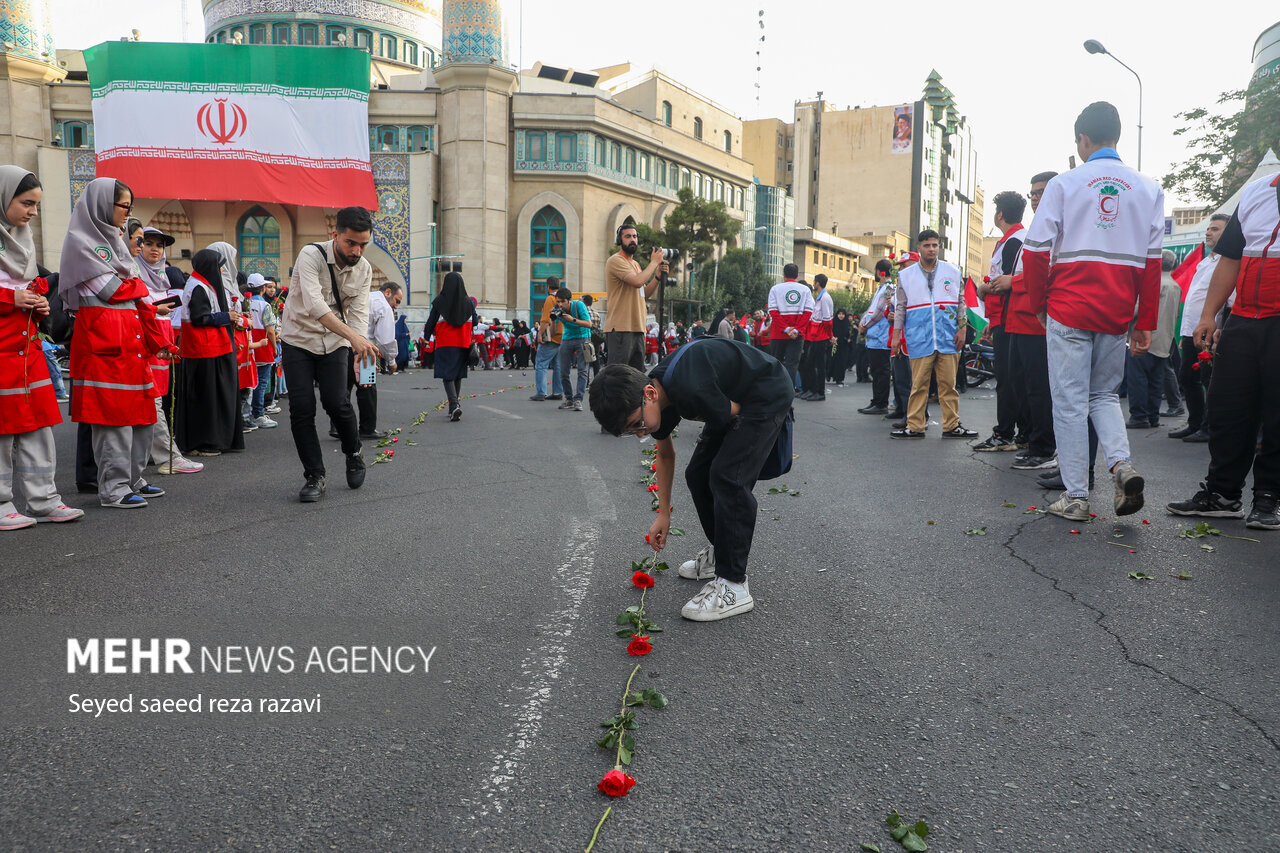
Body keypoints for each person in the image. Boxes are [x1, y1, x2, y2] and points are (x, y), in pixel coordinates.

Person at [1022, 101, 1164, 521]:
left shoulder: (1065, 184)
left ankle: (1077, 496)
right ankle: (1121, 465)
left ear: (1082, 139)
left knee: (1068, 402)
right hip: (1117, 310)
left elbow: (1033, 252)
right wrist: (1146, 322)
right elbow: (1152, 264)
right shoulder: (1149, 189)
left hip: (1068, 306)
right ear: (1116, 136)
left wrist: (1038, 305)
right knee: (1103, 395)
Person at [590, 337, 794, 622]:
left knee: (728, 476)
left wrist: (740, 454)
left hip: (765, 393)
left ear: (649, 394)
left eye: (637, 424)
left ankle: (734, 584)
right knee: (697, 473)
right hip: (727, 395)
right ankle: (722, 552)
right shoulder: (659, 393)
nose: (640, 433)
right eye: (630, 431)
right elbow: (664, 455)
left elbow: (736, 415)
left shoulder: (690, 389)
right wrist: (663, 515)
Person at [1166, 171, 1280, 530]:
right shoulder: (1258, 190)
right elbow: (1230, 258)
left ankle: (1269, 497)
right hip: (1243, 318)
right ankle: (1222, 494)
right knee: (1228, 407)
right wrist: (1208, 315)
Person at [58, 176, 172, 508]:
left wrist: (136, 288)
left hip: (130, 343)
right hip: (104, 345)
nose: (127, 213)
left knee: (142, 416)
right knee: (113, 421)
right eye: (124, 206)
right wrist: (136, 284)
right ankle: (113, 487)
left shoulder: (117, 242)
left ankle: (133, 478)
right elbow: (113, 290)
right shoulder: (81, 242)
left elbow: (132, 292)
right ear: (103, 206)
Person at [0, 165, 83, 528]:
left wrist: (39, 304)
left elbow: (28, 289)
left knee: (38, 426)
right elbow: (13, 294)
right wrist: (12, 297)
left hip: (27, 349)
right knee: (2, 431)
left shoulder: (23, 239)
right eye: (26, 203)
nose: (32, 212)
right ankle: (2, 505)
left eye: (36, 205)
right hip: (2, 352)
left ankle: (44, 499)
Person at [278, 206, 378, 503]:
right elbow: (315, 305)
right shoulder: (311, 256)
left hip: (335, 342)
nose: (357, 251)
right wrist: (355, 338)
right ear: (335, 235)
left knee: (337, 402)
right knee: (302, 408)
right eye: (351, 243)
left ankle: (354, 452)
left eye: (363, 244)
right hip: (297, 339)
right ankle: (315, 475)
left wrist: (358, 348)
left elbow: (359, 314)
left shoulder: (364, 269)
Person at [1000, 172, 1060, 475]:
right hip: (1019, 318)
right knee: (1022, 385)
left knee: (1039, 388)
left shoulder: (1058, 226)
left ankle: (1044, 447)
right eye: (1033, 192)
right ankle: (1032, 440)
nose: (1035, 197)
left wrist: (1012, 281)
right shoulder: (1036, 228)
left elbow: (1050, 271)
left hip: (1038, 320)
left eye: (1041, 191)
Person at [889, 231, 975, 439]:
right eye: (927, 245)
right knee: (918, 386)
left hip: (948, 337)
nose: (932, 249)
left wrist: (962, 328)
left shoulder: (952, 271)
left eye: (935, 245)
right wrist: (896, 336)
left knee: (948, 385)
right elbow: (900, 307)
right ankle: (915, 426)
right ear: (919, 248)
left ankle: (952, 425)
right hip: (919, 337)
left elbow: (961, 301)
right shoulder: (905, 275)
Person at [135, 226, 203, 474]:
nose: (155, 249)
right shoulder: (133, 275)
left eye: (160, 245)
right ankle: (168, 457)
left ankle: (158, 457)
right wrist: (155, 311)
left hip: (160, 351)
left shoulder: (160, 277)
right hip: (144, 351)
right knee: (152, 404)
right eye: (148, 243)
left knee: (154, 404)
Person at [973, 191, 1029, 452]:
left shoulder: (1014, 241)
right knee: (1013, 379)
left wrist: (984, 290)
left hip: (1010, 319)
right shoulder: (1013, 239)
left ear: (1000, 214)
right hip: (1003, 318)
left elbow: (1006, 282)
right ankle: (1021, 433)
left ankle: (1005, 433)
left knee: (1007, 380)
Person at [174, 249, 241, 457]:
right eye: (219, 265)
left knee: (207, 398)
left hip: (207, 349)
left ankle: (206, 440)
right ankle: (207, 441)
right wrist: (226, 317)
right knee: (208, 399)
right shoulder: (199, 287)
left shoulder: (200, 283)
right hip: (205, 350)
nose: (221, 269)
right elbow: (200, 318)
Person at [1169, 215, 1231, 443]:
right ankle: (1195, 422)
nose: (1208, 233)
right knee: (1187, 377)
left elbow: (1228, 301)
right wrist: (1184, 333)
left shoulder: (1228, 262)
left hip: (1209, 333)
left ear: (1229, 233)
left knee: (1209, 380)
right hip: (1191, 331)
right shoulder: (1206, 262)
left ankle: (1209, 427)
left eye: (1215, 229)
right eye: (1208, 228)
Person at [333, 281, 399, 439]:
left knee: (343, 388)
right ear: (388, 292)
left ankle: (337, 426)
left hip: (341, 345)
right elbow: (385, 339)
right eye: (397, 301)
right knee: (367, 389)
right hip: (364, 348)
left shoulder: (363, 297)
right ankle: (367, 428)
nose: (396, 306)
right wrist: (391, 361)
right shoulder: (383, 305)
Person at [1125, 251, 1182, 428]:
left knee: (1138, 380)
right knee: (1156, 381)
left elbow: (1135, 310)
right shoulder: (1176, 286)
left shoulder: (1153, 284)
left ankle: (1139, 417)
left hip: (1144, 337)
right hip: (1165, 340)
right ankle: (1152, 416)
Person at [604, 224, 668, 369]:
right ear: (620, 240)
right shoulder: (616, 260)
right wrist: (654, 262)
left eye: (634, 236)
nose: (632, 240)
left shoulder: (635, 264)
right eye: (627, 236)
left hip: (638, 328)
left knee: (636, 378)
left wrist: (657, 277)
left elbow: (644, 294)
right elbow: (638, 281)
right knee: (618, 376)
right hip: (620, 328)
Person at [424, 271, 479, 421]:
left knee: (447, 375)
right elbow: (475, 322)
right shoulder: (468, 302)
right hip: (463, 343)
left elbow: (431, 322)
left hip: (445, 344)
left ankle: (454, 405)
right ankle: (454, 406)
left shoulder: (439, 302)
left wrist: (427, 338)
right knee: (457, 374)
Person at [858, 259, 895, 414]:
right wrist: (862, 322)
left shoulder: (888, 288)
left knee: (881, 372)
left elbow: (879, 311)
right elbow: (871, 310)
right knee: (875, 371)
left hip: (880, 337)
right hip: (874, 338)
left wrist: (865, 325)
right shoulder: (881, 288)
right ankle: (876, 401)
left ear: (880, 272)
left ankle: (881, 404)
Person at [244, 273, 281, 430]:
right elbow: (270, 330)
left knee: (251, 382)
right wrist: (274, 347)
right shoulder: (264, 305)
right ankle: (258, 413)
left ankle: (249, 413)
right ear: (263, 288)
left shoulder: (245, 303)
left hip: (249, 346)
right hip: (263, 345)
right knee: (262, 381)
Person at [767, 263, 814, 383]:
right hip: (797, 335)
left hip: (778, 333)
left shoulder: (775, 289)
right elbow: (808, 312)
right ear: (797, 275)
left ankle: (775, 392)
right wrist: (796, 329)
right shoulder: (805, 290)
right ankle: (789, 393)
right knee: (792, 365)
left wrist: (786, 329)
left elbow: (773, 311)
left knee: (776, 364)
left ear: (784, 275)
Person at [552, 286, 592, 410]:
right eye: (558, 301)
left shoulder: (578, 305)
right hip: (567, 338)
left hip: (583, 337)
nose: (560, 304)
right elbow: (553, 330)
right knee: (563, 371)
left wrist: (572, 319)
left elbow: (589, 324)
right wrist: (552, 320)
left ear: (569, 300)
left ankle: (578, 399)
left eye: (562, 301)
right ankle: (568, 399)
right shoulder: (557, 309)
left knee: (582, 370)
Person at [799, 274, 833, 400]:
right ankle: (813, 390)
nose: (813, 284)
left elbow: (827, 319)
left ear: (817, 283)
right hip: (816, 335)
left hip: (821, 336)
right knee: (810, 364)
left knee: (818, 365)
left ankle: (820, 392)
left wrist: (830, 336)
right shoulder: (820, 297)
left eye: (814, 282)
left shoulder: (824, 298)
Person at [530, 276, 563, 401]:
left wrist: (539, 334)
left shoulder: (550, 298)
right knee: (557, 365)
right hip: (562, 336)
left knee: (541, 364)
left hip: (551, 337)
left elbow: (545, 319)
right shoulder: (562, 298)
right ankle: (557, 392)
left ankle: (541, 392)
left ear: (548, 287)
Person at [830, 308, 853, 387]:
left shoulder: (847, 323)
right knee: (834, 361)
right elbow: (830, 331)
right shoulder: (833, 322)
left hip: (844, 346)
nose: (841, 316)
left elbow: (849, 334)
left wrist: (848, 339)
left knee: (842, 362)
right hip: (834, 344)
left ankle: (840, 379)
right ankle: (833, 376)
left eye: (843, 314)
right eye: (839, 314)